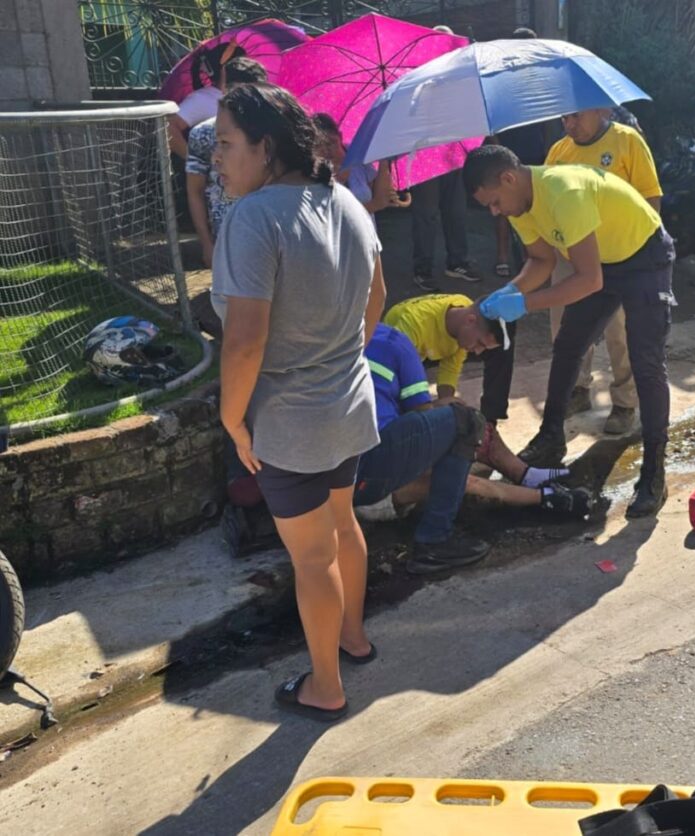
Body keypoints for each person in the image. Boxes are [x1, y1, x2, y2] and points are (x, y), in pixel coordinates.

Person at [212, 82, 387, 722]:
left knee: (313, 558)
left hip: (290, 419)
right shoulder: (346, 202)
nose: (216, 158)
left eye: (226, 143)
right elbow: (378, 296)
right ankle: (353, 638)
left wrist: (232, 418)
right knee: (343, 525)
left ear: (265, 147)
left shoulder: (254, 218)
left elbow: (245, 340)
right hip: (349, 403)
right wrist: (339, 357)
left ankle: (325, 687)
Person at [464, 145, 676, 518]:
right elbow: (541, 260)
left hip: (644, 256)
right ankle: (551, 437)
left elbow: (589, 280)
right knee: (568, 345)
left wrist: (525, 303)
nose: (495, 211)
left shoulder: (564, 193)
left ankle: (654, 471)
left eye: (495, 202)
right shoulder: (520, 204)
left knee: (646, 362)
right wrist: (511, 290)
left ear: (509, 178)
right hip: (604, 261)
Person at [353, 324, 589, 574]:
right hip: (371, 479)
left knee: (466, 431)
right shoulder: (392, 340)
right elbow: (472, 482)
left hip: (338, 479)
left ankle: (531, 480)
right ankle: (435, 541)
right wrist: (546, 498)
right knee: (468, 424)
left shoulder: (336, 339)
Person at [544, 106, 664, 435]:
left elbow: (650, 200)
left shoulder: (628, 141)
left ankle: (625, 403)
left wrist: (644, 251)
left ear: (601, 110)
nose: (570, 124)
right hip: (571, 252)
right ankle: (577, 390)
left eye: (576, 116)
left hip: (620, 254)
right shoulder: (559, 152)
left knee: (620, 331)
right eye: (564, 118)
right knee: (565, 329)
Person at [406, 24, 482, 291]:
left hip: (453, 155)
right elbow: (410, 115)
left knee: (456, 212)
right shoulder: (416, 76)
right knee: (426, 215)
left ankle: (457, 261)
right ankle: (423, 268)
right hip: (424, 158)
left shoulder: (459, 78)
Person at [186, 57, 268, 268]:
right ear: (225, 91)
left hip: (268, 229)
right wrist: (206, 243)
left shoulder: (272, 133)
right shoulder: (203, 134)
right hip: (225, 234)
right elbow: (195, 191)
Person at [382, 293, 515, 424]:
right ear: (470, 321)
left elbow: (451, 367)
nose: (478, 351)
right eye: (480, 343)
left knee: (502, 351)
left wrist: (449, 405)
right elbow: (405, 386)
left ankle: (490, 422)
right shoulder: (413, 325)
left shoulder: (465, 317)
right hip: (391, 357)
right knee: (402, 412)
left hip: (427, 349)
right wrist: (432, 406)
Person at [491, 26, 549, 278]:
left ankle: (531, 255)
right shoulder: (500, 79)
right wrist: (497, 147)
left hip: (534, 149)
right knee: (502, 205)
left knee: (532, 204)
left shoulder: (539, 77)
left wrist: (546, 147)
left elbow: (545, 118)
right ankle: (502, 255)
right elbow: (492, 120)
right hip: (506, 149)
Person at [311, 113, 410, 217]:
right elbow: (334, 216)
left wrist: (383, 159)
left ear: (340, 137)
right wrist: (374, 205)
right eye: (319, 145)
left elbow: (380, 197)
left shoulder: (356, 154)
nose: (326, 150)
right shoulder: (314, 171)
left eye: (331, 142)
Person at [168, 40, 247, 159]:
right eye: (242, 64)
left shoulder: (244, 96)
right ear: (224, 68)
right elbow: (168, 128)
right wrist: (195, 161)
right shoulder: (202, 98)